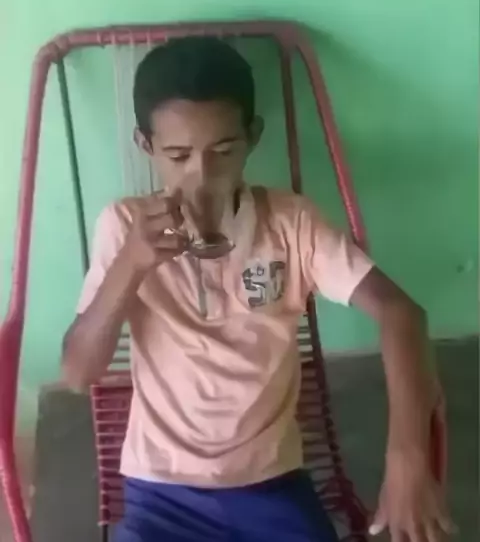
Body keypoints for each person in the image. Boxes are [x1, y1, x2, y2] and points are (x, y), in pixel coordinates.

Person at [62, 37, 453, 542]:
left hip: (270, 484)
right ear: (146, 146)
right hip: (161, 490)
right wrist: (131, 265)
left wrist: (407, 459)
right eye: (178, 155)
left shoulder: (290, 223)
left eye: (223, 151)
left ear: (253, 136)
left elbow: (401, 313)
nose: (202, 176)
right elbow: (78, 374)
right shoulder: (124, 226)